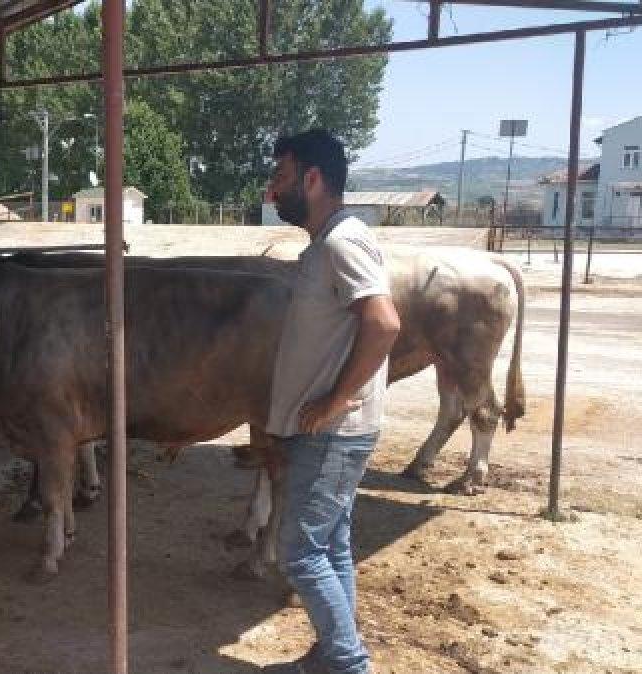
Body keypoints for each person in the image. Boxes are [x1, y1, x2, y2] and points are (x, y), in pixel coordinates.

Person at [264, 130, 402, 674]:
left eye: (281, 178)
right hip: (328, 432)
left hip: (335, 434)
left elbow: (384, 323)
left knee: (299, 551)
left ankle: (348, 664)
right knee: (332, 545)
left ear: (312, 178)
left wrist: (334, 401)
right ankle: (331, 657)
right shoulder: (327, 242)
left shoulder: (344, 241)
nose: (274, 193)